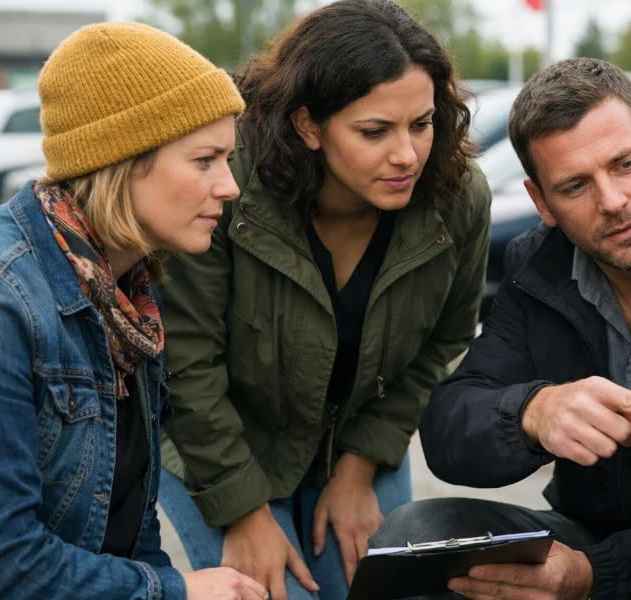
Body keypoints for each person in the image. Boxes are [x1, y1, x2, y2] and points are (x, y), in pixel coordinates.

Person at [155, 1, 492, 599]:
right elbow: (185, 362)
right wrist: (245, 513)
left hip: (357, 437)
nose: (407, 155)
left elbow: (444, 340)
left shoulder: (456, 197)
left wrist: (362, 465)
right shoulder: (228, 187)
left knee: (380, 590)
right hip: (223, 441)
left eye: (421, 122)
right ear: (308, 125)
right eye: (374, 131)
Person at [0, 22, 269, 600]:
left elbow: (127, 534)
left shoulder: (127, 298)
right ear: (122, 159)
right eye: (205, 161)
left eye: (229, 159)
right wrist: (178, 593)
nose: (229, 186)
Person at [371, 57, 631, 600]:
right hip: (587, 537)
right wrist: (532, 412)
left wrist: (597, 574)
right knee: (416, 543)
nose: (613, 202)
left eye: (624, 164)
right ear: (540, 201)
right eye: (575, 186)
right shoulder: (541, 269)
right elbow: (447, 428)